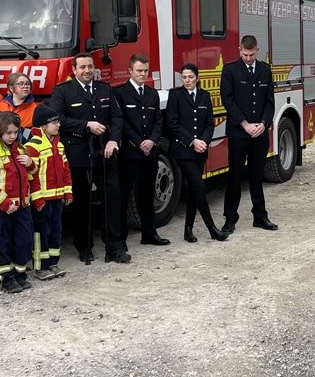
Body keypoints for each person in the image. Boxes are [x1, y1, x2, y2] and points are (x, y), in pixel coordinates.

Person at [48, 52, 123, 264]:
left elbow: (117, 117)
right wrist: (86, 125)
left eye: (90, 66)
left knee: (111, 200)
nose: (87, 70)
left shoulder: (105, 89)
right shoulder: (62, 91)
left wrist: (113, 140)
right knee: (82, 202)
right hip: (78, 153)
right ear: (74, 70)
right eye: (82, 67)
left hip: (105, 151)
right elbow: (57, 119)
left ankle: (114, 247)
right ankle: (84, 246)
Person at [220, 35, 278, 233]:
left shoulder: (265, 70)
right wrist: (244, 124)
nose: (248, 58)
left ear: (257, 50)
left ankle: (260, 216)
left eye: (252, 55)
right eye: (245, 54)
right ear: (240, 50)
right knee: (235, 176)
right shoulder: (230, 70)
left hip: (259, 133)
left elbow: (270, 101)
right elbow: (228, 100)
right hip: (239, 132)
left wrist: (264, 123)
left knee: (257, 175)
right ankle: (230, 218)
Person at [165, 63, 228, 243]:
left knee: (194, 189)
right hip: (183, 150)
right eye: (184, 77)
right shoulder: (175, 95)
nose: (187, 80)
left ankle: (188, 229)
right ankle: (212, 229)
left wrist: (204, 142)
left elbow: (209, 124)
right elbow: (172, 123)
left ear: (197, 78)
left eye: (191, 77)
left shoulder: (204, 96)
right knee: (199, 186)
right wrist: (192, 141)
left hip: (200, 150)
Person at [114, 53, 170, 248]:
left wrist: (152, 141)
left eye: (146, 71)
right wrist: (140, 143)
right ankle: (120, 237)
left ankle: (149, 233)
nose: (143, 74)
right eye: (139, 70)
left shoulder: (152, 94)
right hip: (130, 153)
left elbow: (158, 121)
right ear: (130, 71)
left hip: (149, 153)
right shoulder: (120, 93)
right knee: (124, 195)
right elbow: (122, 122)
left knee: (147, 195)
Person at [0, 111, 35, 293]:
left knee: (24, 241)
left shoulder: (20, 149)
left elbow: (31, 174)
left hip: (22, 206)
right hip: (0, 208)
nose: (12, 136)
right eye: (8, 132)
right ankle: (6, 278)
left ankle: (19, 273)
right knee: (2, 244)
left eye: (15, 132)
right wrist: (4, 202)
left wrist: (31, 163)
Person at [24, 106, 72, 279]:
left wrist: (68, 192)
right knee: (41, 233)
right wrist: (37, 199)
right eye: (54, 122)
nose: (58, 125)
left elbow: (65, 170)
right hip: (42, 199)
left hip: (57, 197)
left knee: (55, 231)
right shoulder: (33, 146)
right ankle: (41, 267)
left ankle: (53, 263)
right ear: (43, 125)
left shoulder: (58, 144)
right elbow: (31, 176)